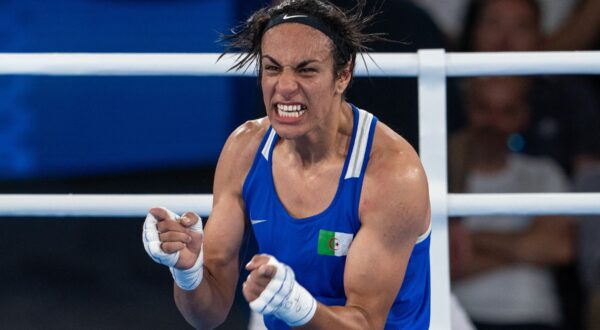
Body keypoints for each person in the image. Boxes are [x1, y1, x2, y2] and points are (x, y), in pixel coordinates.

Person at [142, 0, 432, 329]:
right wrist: (188, 273)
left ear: (343, 74)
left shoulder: (391, 173)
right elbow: (209, 315)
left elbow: (366, 322)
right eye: (273, 68)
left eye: (306, 69)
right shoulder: (244, 150)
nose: (285, 87)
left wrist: (298, 307)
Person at [448, 77, 574, 330]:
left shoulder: (544, 174)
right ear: (468, 108)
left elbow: (559, 248)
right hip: (458, 317)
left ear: (523, 116)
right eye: (484, 108)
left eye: (506, 111)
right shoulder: (443, 175)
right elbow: (444, 263)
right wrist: (526, 247)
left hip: (534, 318)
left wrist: (471, 239)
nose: (492, 122)